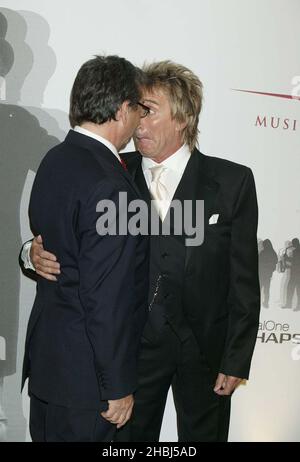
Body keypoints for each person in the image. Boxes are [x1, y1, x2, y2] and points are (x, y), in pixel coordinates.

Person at [21, 60, 260, 442]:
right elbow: (68, 237)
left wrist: (236, 358)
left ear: (183, 118)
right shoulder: (113, 170)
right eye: (138, 110)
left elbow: (244, 279)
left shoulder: (232, 181)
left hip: (204, 352)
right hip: (132, 354)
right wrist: (28, 253)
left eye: (149, 111)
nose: (139, 124)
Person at [20, 55, 150, 442]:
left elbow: (53, 244)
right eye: (139, 109)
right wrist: (116, 385)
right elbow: (107, 296)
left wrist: (28, 253)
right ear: (122, 109)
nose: (140, 119)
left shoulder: (56, 159)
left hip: (49, 369)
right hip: (87, 385)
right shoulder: (112, 185)